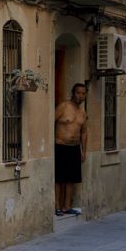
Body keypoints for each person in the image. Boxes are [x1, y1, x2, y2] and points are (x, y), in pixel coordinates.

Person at [54, 83, 88, 216]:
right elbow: (52, 122)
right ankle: (57, 205)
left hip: (74, 148)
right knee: (59, 177)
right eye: (78, 92)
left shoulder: (83, 113)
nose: (80, 95)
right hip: (60, 146)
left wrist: (83, 151)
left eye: (83, 93)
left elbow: (84, 132)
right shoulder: (64, 107)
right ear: (73, 93)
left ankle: (67, 206)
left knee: (71, 179)